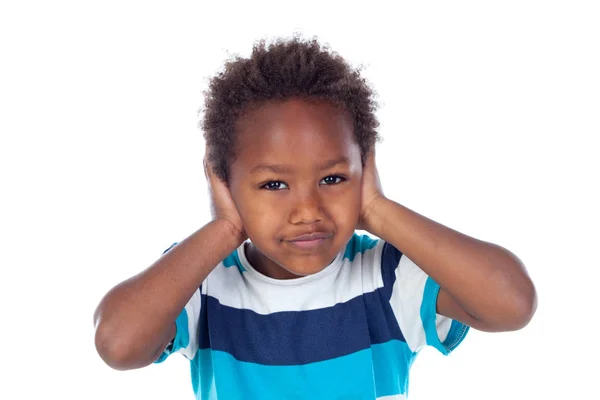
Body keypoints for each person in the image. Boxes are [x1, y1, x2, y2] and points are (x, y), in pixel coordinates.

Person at [93, 36, 537, 399]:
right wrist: (225, 228)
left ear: (366, 168)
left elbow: (512, 304)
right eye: (273, 185)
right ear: (223, 182)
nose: (308, 211)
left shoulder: (388, 277)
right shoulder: (204, 282)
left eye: (332, 178)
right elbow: (117, 343)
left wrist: (378, 210)